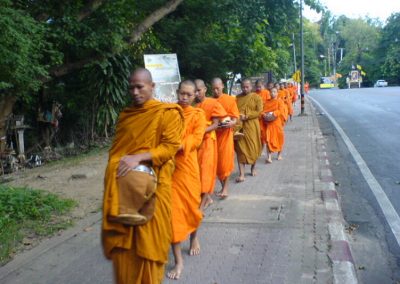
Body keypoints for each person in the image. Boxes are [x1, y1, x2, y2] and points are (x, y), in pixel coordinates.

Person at [102, 68, 185, 284]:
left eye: (140, 87)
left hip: (156, 189)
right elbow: (116, 152)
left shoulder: (168, 112)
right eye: (132, 87)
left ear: (152, 86)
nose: (135, 92)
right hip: (126, 190)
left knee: (151, 246)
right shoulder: (127, 115)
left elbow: (170, 148)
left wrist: (139, 157)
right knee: (125, 251)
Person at [167, 80, 206, 280]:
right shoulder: (169, 112)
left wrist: (178, 145)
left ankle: (194, 237)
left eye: (189, 95)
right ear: (177, 92)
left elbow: (197, 138)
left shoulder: (198, 115)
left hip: (188, 168)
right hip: (170, 170)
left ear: (194, 96)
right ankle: (178, 261)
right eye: (181, 93)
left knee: (192, 208)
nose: (184, 98)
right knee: (173, 215)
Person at [194, 79, 227, 210]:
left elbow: (215, 124)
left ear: (205, 89)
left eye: (199, 90)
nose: (196, 93)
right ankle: (206, 197)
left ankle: (203, 201)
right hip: (195, 143)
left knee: (206, 171)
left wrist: (201, 131)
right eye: (194, 91)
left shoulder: (212, 103)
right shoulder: (193, 107)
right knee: (197, 171)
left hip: (207, 141)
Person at [211, 77, 239, 198]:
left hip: (226, 136)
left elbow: (235, 118)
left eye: (218, 88)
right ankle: (223, 187)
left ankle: (225, 188)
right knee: (215, 164)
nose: (216, 91)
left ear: (222, 86)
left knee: (225, 163)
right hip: (213, 136)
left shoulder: (229, 100)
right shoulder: (210, 102)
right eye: (214, 89)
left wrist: (231, 123)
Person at [234, 78, 263, 182]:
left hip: (252, 126)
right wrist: (238, 116)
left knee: (253, 148)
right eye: (243, 87)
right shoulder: (237, 98)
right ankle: (241, 174)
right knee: (240, 150)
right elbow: (233, 110)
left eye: (247, 87)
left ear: (251, 87)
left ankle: (253, 168)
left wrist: (247, 116)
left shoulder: (256, 97)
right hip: (240, 127)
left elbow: (259, 111)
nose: (245, 89)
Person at [262, 87, 285, 163]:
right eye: (271, 92)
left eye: (274, 92)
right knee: (268, 140)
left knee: (279, 139)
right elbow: (263, 111)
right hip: (269, 124)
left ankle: (279, 154)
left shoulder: (279, 101)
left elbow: (281, 110)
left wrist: (274, 114)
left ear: (277, 93)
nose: (273, 93)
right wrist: (264, 115)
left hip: (277, 123)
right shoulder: (266, 102)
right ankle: (269, 157)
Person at [254, 80, 270, 153]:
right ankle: (258, 149)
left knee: (264, 135)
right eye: (257, 87)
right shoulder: (254, 94)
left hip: (264, 117)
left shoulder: (266, 92)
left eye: (260, 87)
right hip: (256, 117)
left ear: (263, 86)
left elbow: (269, 104)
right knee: (257, 134)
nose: (258, 88)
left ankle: (263, 149)